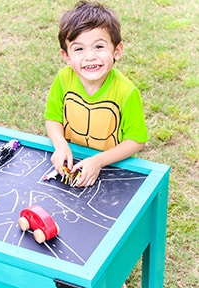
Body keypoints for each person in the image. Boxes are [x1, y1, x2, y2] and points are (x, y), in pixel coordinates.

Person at [45, 1, 147, 189]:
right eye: (79, 49)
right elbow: (52, 119)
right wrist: (60, 146)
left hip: (113, 167)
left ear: (117, 50)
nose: (90, 56)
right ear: (66, 56)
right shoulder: (62, 79)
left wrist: (98, 161)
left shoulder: (126, 92)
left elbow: (136, 140)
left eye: (99, 47)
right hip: (72, 160)